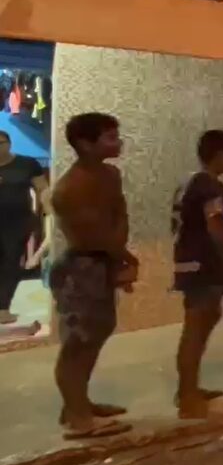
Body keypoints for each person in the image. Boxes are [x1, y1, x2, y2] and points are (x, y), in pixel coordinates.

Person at [49, 113, 134, 439]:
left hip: (102, 262)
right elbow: (92, 236)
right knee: (78, 344)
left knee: (97, 333)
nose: (119, 143)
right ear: (85, 144)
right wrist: (122, 259)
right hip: (82, 267)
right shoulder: (71, 188)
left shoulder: (110, 174)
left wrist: (121, 257)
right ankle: (78, 417)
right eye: (110, 138)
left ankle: (78, 403)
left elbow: (118, 216)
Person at [172, 130, 223, 418]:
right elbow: (215, 226)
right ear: (221, 154)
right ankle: (188, 398)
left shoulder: (188, 181)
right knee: (196, 329)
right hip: (203, 264)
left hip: (188, 260)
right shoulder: (211, 186)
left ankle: (189, 388)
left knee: (202, 324)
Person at [0, 129, 48, 325]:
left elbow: (43, 189)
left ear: (9, 144)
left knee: (11, 264)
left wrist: (51, 210)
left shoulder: (27, 164)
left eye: (1, 143)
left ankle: (2, 309)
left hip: (18, 222)